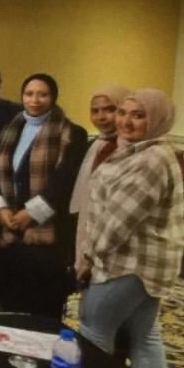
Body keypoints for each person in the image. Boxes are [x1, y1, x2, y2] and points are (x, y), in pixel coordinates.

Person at [77, 89, 182, 368]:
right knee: (145, 338)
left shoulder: (152, 159)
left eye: (139, 115)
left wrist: (88, 258)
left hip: (128, 264)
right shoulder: (139, 150)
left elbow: (118, 222)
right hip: (144, 265)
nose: (126, 121)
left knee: (93, 330)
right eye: (123, 113)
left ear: (158, 119)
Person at [0, 73, 87, 319]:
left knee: (42, 304)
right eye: (29, 94)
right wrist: (1, 207)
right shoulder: (10, 129)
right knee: (11, 299)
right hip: (11, 229)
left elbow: (64, 181)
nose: (35, 100)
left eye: (42, 94)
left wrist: (32, 213)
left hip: (47, 233)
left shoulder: (72, 133)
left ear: (53, 97)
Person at [70, 85, 130, 271]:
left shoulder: (130, 148)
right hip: (89, 221)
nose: (101, 117)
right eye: (95, 111)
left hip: (114, 229)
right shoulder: (94, 145)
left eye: (110, 109)